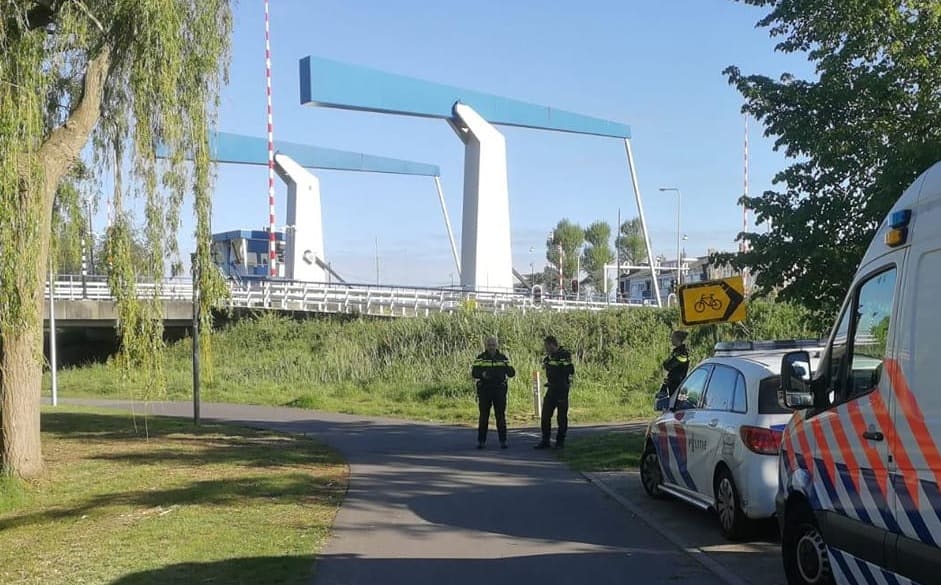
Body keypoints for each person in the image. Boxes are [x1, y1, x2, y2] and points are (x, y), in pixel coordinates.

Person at [471, 336, 515, 449]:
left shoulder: (503, 358)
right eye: (489, 345)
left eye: (493, 345)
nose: (491, 347)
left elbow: (511, 373)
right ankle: (481, 441)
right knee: (483, 416)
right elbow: (474, 372)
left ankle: (503, 441)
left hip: (499, 390)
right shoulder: (480, 358)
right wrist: (482, 375)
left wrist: (507, 366)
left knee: (500, 416)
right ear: (486, 346)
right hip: (485, 390)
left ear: (497, 345)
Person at [535, 335, 575, 450]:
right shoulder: (549, 357)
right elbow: (547, 367)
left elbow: (570, 370)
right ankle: (545, 440)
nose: (545, 348)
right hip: (551, 389)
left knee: (561, 417)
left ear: (552, 344)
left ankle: (560, 442)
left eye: (546, 346)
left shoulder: (564, 355)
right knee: (545, 416)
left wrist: (558, 368)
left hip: (561, 389)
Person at [662, 330, 690, 396]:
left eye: (672, 337)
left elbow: (668, 366)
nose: (671, 339)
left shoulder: (682, 353)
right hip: (673, 383)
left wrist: (666, 363)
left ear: (677, 339)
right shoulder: (676, 351)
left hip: (677, 384)